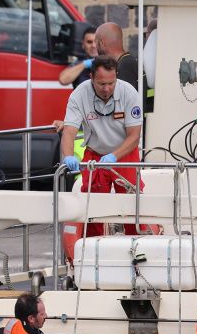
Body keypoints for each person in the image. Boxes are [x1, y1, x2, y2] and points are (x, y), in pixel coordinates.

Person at [60, 56, 151, 237]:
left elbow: (134, 136)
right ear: (91, 77)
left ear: (116, 76)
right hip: (95, 155)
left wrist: (114, 157)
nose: (107, 89)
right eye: (102, 84)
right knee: (93, 209)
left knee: (133, 208)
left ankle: (138, 252)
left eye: (111, 83)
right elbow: (69, 131)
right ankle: (92, 251)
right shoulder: (79, 94)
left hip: (125, 153)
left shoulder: (129, 93)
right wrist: (68, 155)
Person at [95, 22, 137, 89]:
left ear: (101, 43)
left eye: (96, 42)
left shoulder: (125, 68)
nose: (95, 46)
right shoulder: (127, 62)